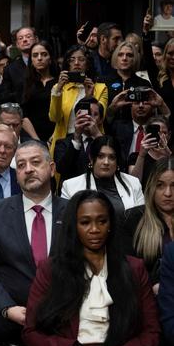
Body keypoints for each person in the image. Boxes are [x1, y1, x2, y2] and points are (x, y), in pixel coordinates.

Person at [23, 190, 160, 346]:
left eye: (102, 221)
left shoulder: (134, 269)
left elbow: (152, 331)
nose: (94, 230)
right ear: (73, 227)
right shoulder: (51, 270)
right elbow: (31, 333)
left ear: (111, 225)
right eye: (85, 222)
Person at [0, 140, 68, 343]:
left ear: (51, 168)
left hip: (65, 315)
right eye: (21, 165)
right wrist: (7, 308)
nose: (28, 169)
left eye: (35, 162)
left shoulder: (72, 212)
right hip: (12, 316)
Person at [48, 45, 108, 156]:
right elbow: (54, 117)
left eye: (81, 59)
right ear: (67, 64)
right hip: (65, 141)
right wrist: (58, 90)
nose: (76, 63)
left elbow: (99, 118)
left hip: (91, 141)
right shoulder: (59, 88)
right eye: (72, 60)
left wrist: (89, 97)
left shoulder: (100, 88)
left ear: (88, 64)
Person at [61, 136, 144, 216]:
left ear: (117, 161)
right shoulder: (70, 186)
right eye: (101, 156)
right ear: (91, 158)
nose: (106, 162)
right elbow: (67, 224)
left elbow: (142, 220)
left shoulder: (133, 183)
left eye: (112, 157)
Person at [128, 157, 174, 288]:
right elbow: (128, 272)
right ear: (151, 186)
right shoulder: (133, 219)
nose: (168, 193)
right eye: (160, 185)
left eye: (173, 186)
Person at [54, 97, 104, 182]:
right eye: (86, 114)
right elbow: (61, 169)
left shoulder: (110, 141)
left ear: (101, 120)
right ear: (77, 117)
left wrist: (97, 136)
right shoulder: (63, 143)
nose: (89, 118)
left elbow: (118, 165)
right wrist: (76, 137)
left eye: (95, 114)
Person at [21, 41, 58, 142]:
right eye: (35, 55)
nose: (39, 58)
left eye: (44, 54)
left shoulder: (59, 82)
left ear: (50, 59)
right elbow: (24, 115)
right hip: (32, 136)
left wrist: (56, 134)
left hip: (57, 134)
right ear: (31, 61)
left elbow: (64, 113)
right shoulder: (27, 83)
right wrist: (36, 139)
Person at [128, 115, 172, 186]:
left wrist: (169, 155)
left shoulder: (171, 156)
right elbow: (134, 184)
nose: (160, 136)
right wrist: (141, 155)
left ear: (169, 135)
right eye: (156, 133)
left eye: (163, 133)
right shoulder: (135, 157)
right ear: (145, 133)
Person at [0, 27, 38, 103]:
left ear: (36, 39)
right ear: (17, 44)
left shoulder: (47, 63)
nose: (25, 40)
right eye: (20, 38)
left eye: (28, 36)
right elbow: (4, 96)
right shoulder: (10, 69)